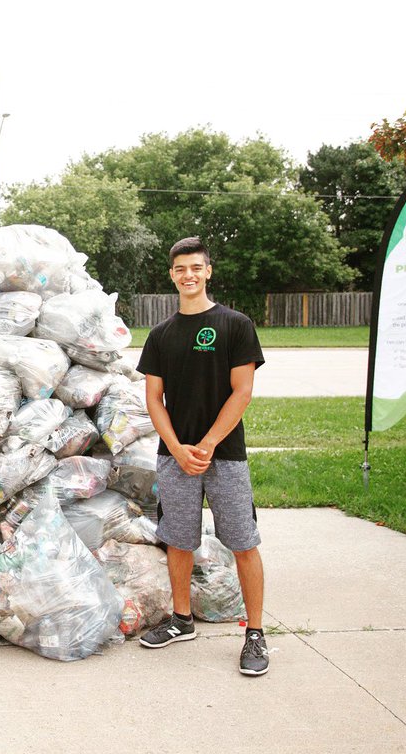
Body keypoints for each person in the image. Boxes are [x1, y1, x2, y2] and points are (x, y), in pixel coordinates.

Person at [135, 236, 268, 676]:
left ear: (208, 271)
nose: (188, 275)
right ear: (171, 276)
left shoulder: (235, 325)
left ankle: (254, 634)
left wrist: (208, 444)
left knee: (243, 543)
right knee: (178, 538)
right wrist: (176, 447)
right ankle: (181, 619)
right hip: (175, 457)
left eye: (196, 267)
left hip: (224, 455)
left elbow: (242, 391)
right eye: (180, 270)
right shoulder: (160, 335)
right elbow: (154, 398)